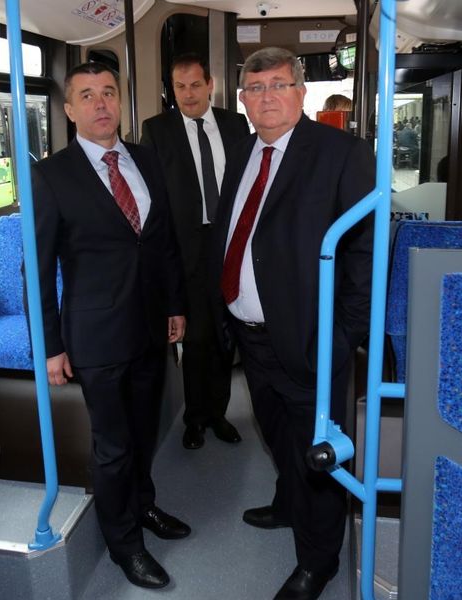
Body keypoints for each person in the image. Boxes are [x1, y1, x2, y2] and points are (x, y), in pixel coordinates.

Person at [209, 47, 374, 600]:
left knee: (317, 452)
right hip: (251, 336)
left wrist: (343, 336)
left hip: (312, 340)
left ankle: (317, 561)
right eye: (256, 88)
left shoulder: (342, 153)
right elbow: (234, 232)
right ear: (242, 99)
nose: (267, 97)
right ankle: (288, 504)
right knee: (277, 433)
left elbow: (366, 254)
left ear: (301, 92)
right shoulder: (242, 151)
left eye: (279, 85)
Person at [31, 62, 190, 590]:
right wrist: (50, 345)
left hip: (150, 326)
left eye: (108, 93)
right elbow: (38, 267)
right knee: (113, 445)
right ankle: (125, 545)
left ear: (120, 101)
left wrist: (175, 305)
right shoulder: (51, 175)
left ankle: (144, 505)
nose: (100, 104)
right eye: (87, 95)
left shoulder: (145, 159)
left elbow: (163, 242)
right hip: (96, 335)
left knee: (144, 432)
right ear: (69, 110)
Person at [140, 53, 250, 450]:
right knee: (198, 336)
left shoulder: (235, 124)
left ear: (210, 86)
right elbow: (152, 195)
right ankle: (195, 417)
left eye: (195, 85)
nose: (187, 94)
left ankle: (219, 413)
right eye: (179, 87)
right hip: (185, 249)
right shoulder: (157, 130)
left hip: (230, 242)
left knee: (225, 334)